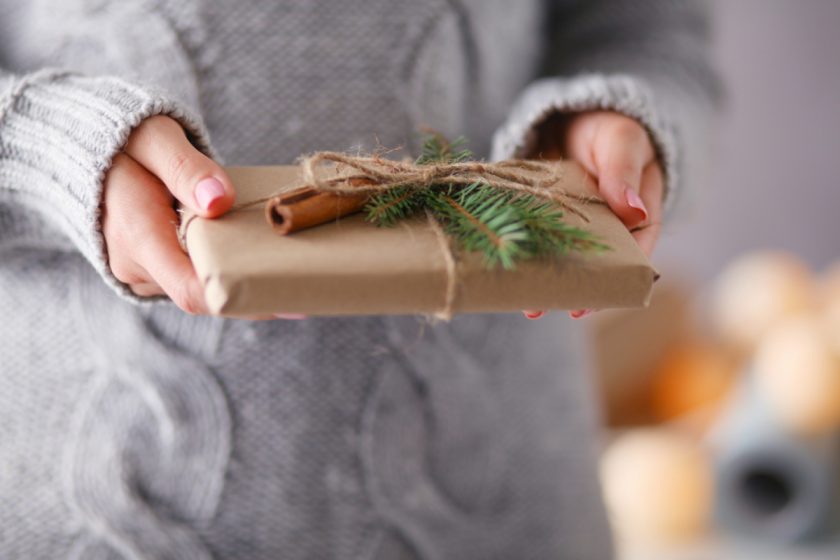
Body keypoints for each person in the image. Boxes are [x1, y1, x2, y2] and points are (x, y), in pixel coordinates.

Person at [0, 1, 717, 558]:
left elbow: (651, 35)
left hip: (500, 508)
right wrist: (52, 147)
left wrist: (617, 123)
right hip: (97, 511)